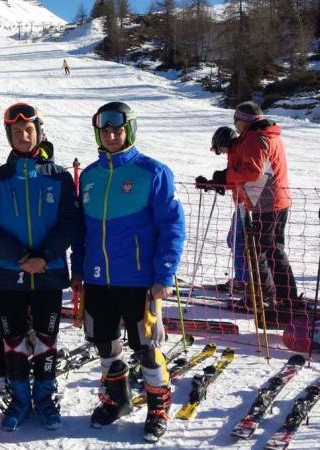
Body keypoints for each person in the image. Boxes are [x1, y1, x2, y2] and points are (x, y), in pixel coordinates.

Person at [70, 102, 185, 443]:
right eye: (105, 131)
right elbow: (81, 231)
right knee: (104, 344)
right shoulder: (90, 176)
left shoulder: (152, 172)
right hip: (97, 278)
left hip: (139, 281)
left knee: (146, 347)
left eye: (118, 130)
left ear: (129, 130)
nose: (111, 136)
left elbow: (172, 227)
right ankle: (116, 400)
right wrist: (79, 270)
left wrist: (164, 275)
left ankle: (158, 407)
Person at [0, 102, 77, 432]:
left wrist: (43, 257)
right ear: (9, 136)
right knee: (13, 339)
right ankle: (19, 398)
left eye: (28, 130)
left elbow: (69, 222)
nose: (23, 136)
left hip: (48, 272)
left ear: (38, 132)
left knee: (47, 338)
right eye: (16, 131)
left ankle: (44, 396)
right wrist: (20, 257)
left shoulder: (59, 177)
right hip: (9, 274)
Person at [204, 101, 299, 308]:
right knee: (272, 250)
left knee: (258, 252)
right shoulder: (265, 135)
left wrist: (225, 176)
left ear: (244, 121)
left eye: (236, 121)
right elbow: (250, 170)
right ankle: (284, 296)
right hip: (273, 199)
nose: (235, 126)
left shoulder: (255, 138)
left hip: (266, 202)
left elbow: (253, 172)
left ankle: (263, 297)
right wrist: (219, 181)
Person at [195, 126, 248, 294]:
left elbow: (242, 177)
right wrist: (213, 184)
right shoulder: (235, 152)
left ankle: (244, 281)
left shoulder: (237, 152)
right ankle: (244, 278)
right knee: (234, 239)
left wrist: (221, 180)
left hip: (248, 204)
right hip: (242, 203)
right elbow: (233, 179)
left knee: (237, 241)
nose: (222, 152)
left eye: (220, 149)